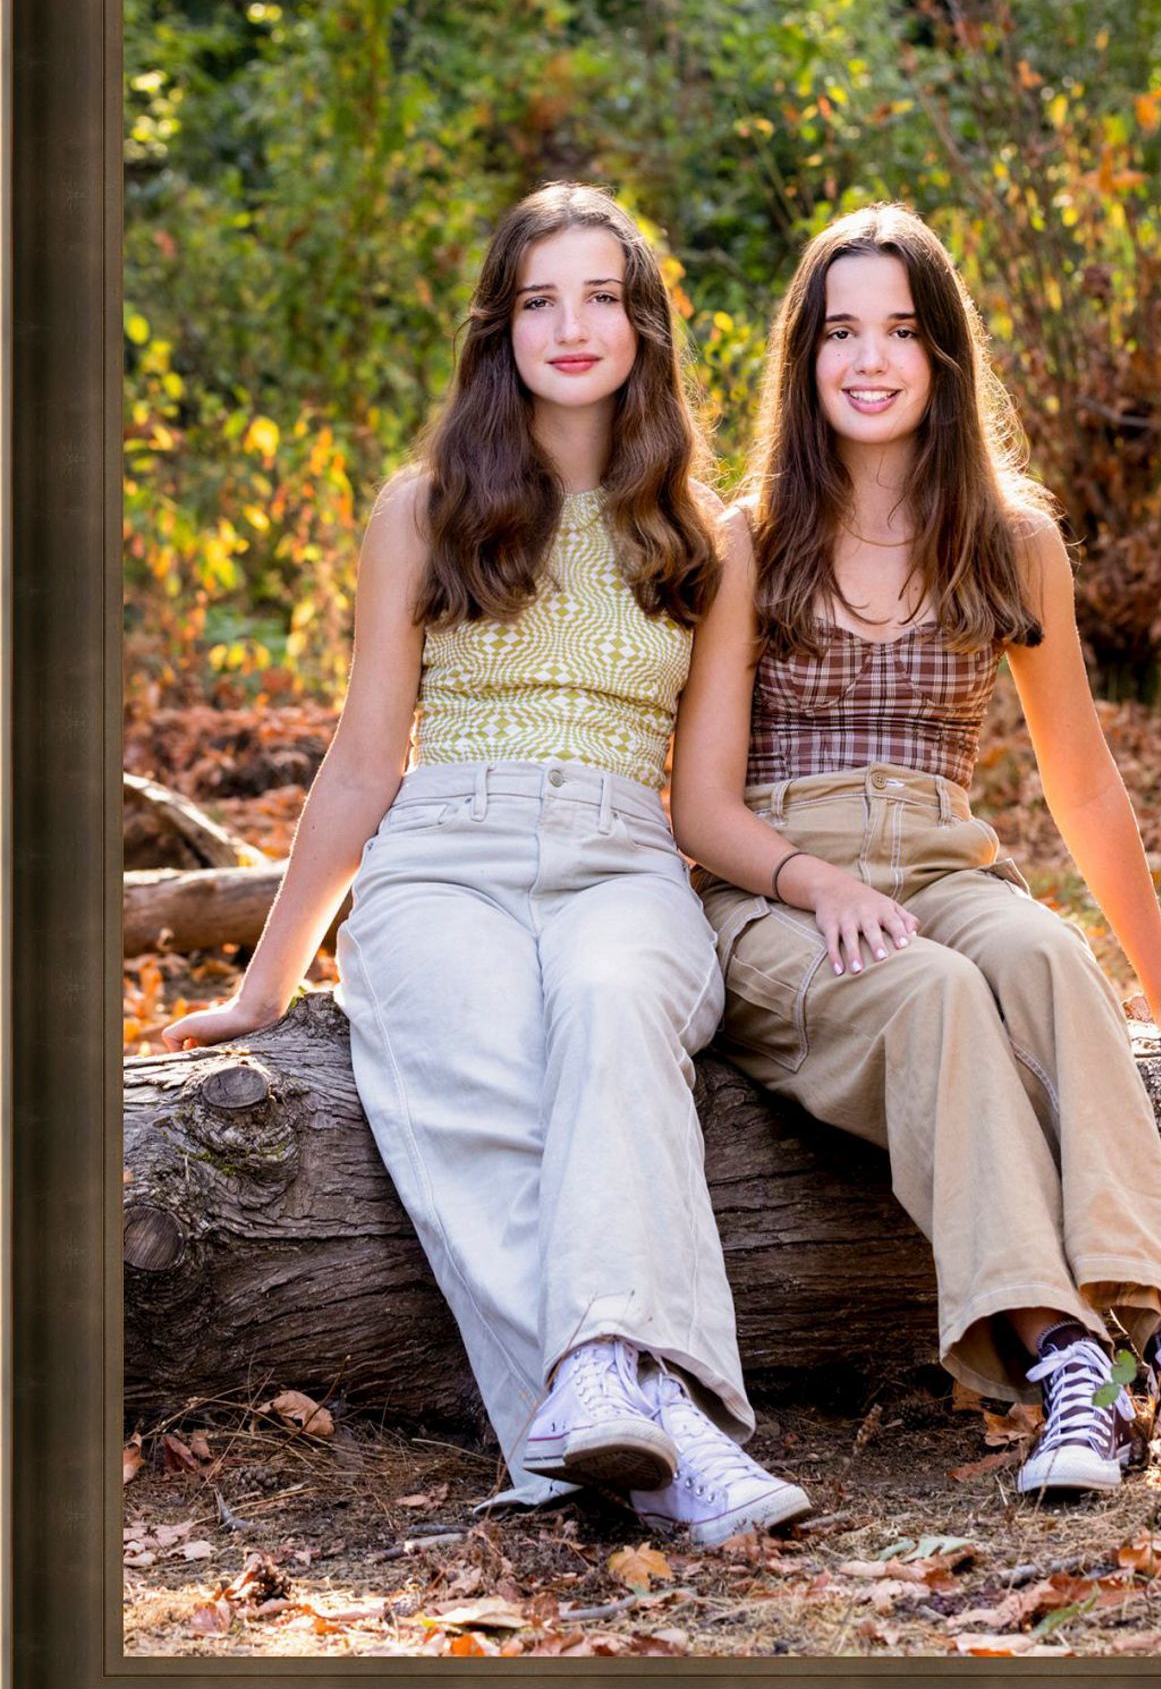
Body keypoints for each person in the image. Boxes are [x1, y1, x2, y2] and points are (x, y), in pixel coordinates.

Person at [164, 183, 810, 1547]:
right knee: (478, 1098)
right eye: (538, 301)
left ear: (643, 325)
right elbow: (361, 760)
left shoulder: (709, 537)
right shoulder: (425, 506)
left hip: (623, 857)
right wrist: (269, 979)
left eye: (600, 298)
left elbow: (701, 802)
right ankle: (665, 1432)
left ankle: (606, 1400)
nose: (571, 327)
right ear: (499, 328)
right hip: (442, 854)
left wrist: (810, 883)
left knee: (613, 1013)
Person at [670, 204, 1161, 1497]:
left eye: (899, 330)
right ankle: (1063, 1362)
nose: (868, 357)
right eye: (839, 331)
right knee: (936, 991)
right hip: (776, 890)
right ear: (802, 359)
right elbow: (697, 805)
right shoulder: (746, 538)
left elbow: (1078, 775)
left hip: (948, 869)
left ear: (943, 359)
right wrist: (814, 880)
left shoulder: (1010, 539)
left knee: (1045, 958)